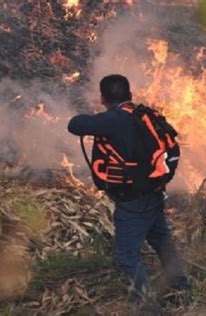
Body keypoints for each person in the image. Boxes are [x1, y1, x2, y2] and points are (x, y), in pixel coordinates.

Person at [67, 74, 189, 303]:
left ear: (102, 98)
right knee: (163, 243)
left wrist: (99, 117)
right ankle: (182, 290)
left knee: (127, 258)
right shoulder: (145, 114)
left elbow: (74, 125)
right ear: (130, 95)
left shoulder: (113, 120)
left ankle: (147, 307)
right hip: (153, 192)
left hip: (132, 202)